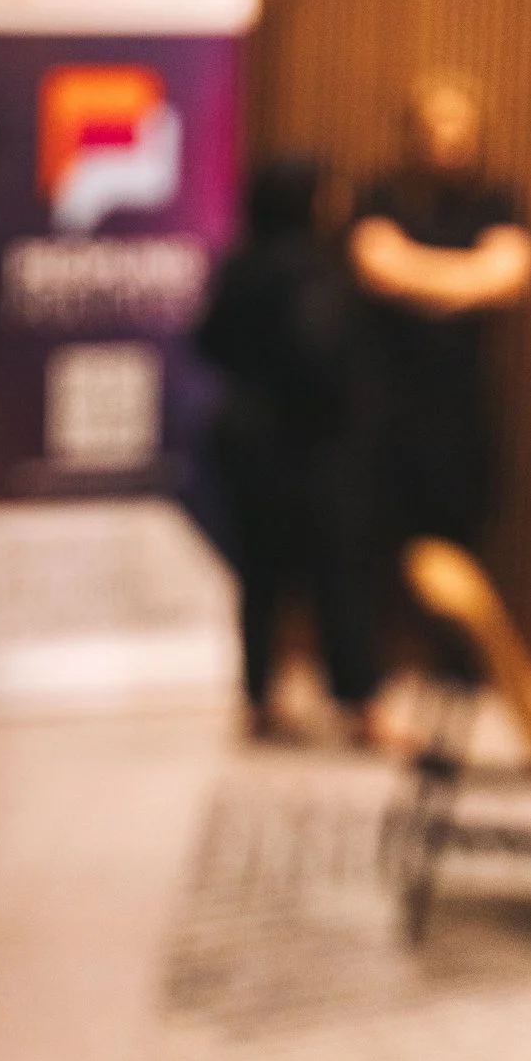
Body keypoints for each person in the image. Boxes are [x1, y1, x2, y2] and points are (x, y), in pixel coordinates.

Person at [197, 157, 379, 735]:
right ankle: (359, 706)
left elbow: (207, 342)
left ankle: (259, 701)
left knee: (260, 576)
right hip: (310, 447)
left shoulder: (240, 263)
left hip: (244, 440)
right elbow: (317, 357)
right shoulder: (317, 271)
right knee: (337, 573)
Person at [351, 76, 531, 551]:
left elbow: (507, 279)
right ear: (414, 132)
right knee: (384, 549)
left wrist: (417, 275)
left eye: (459, 122)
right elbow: (378, 269)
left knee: (453, 543)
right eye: (436, 123)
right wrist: (465, 280)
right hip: (387, 406)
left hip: (463, 406)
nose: (448, 134)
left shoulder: (498, 197)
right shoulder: (382, 193)